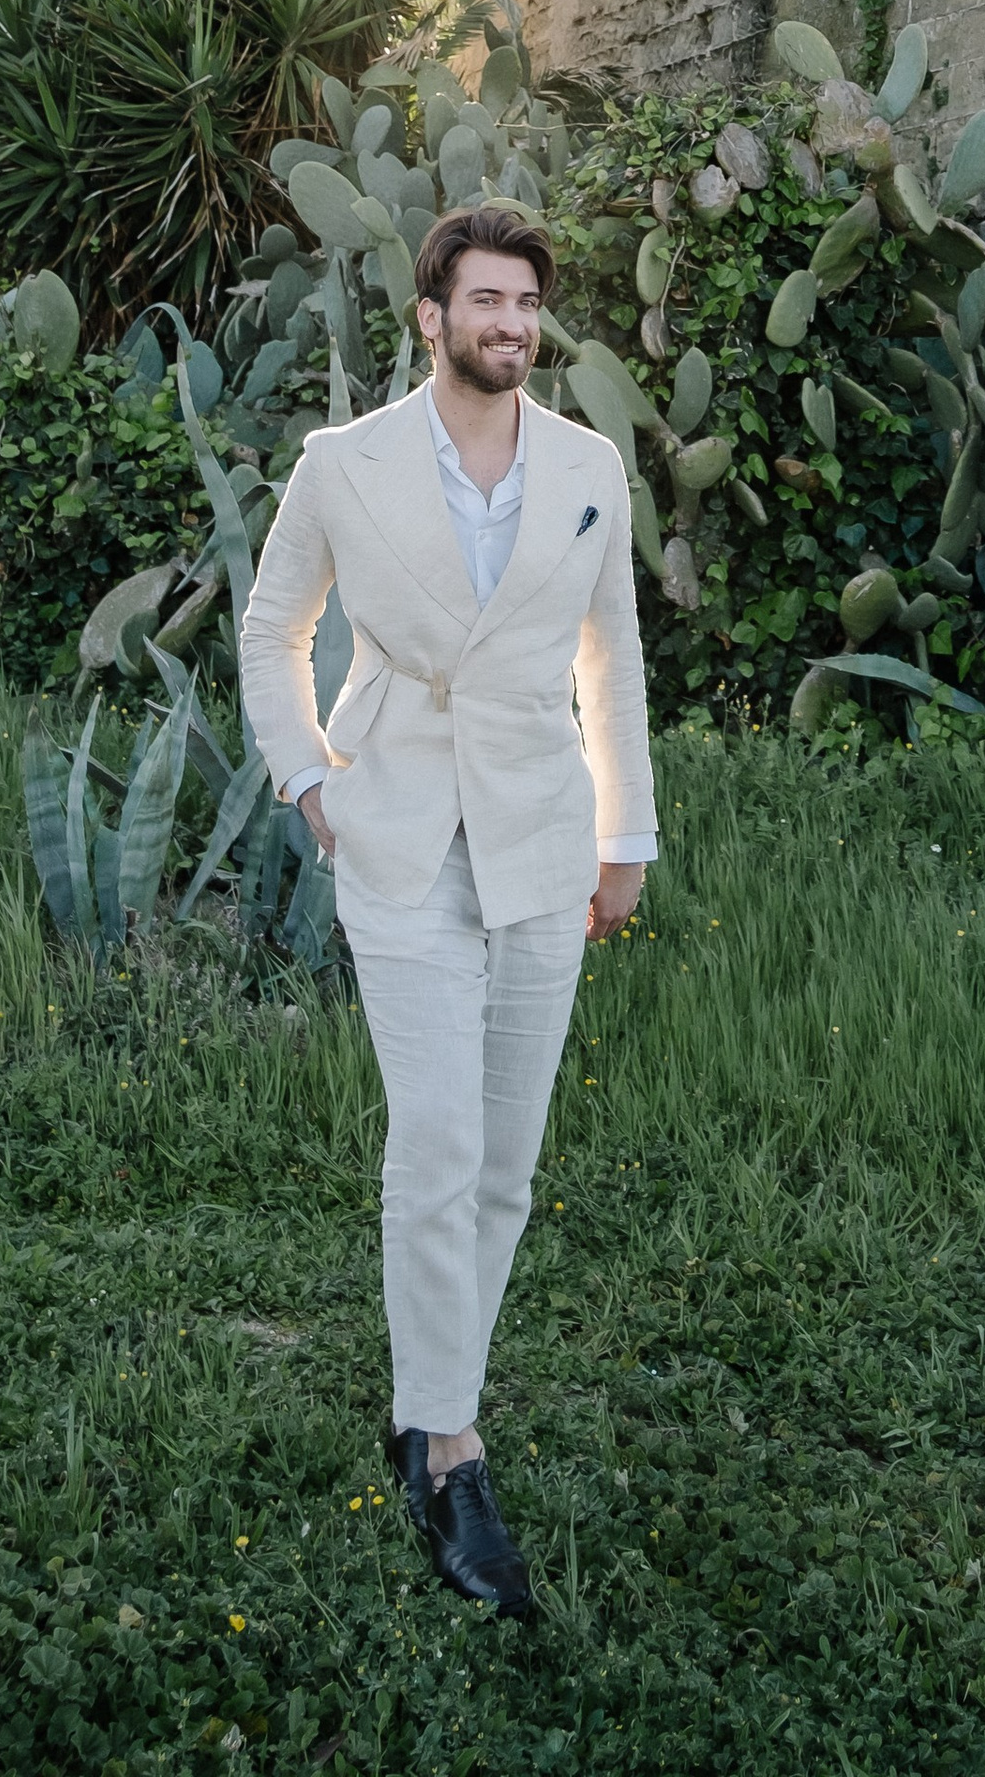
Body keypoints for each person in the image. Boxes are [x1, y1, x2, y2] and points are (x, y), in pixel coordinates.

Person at [239, 199, 656, 1615]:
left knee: (508, 1166)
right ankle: (454, 1452)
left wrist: (628, 831)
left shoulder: (592, 466)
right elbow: (271, 626)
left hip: (542, 839)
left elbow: (614, 656)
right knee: (436, 1145)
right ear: (431, 318)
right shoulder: (342, 466)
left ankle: (426, 1401)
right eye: (485, 302)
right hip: (401, 836)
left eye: (527, 305)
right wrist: (309, 779)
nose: (510, 326)